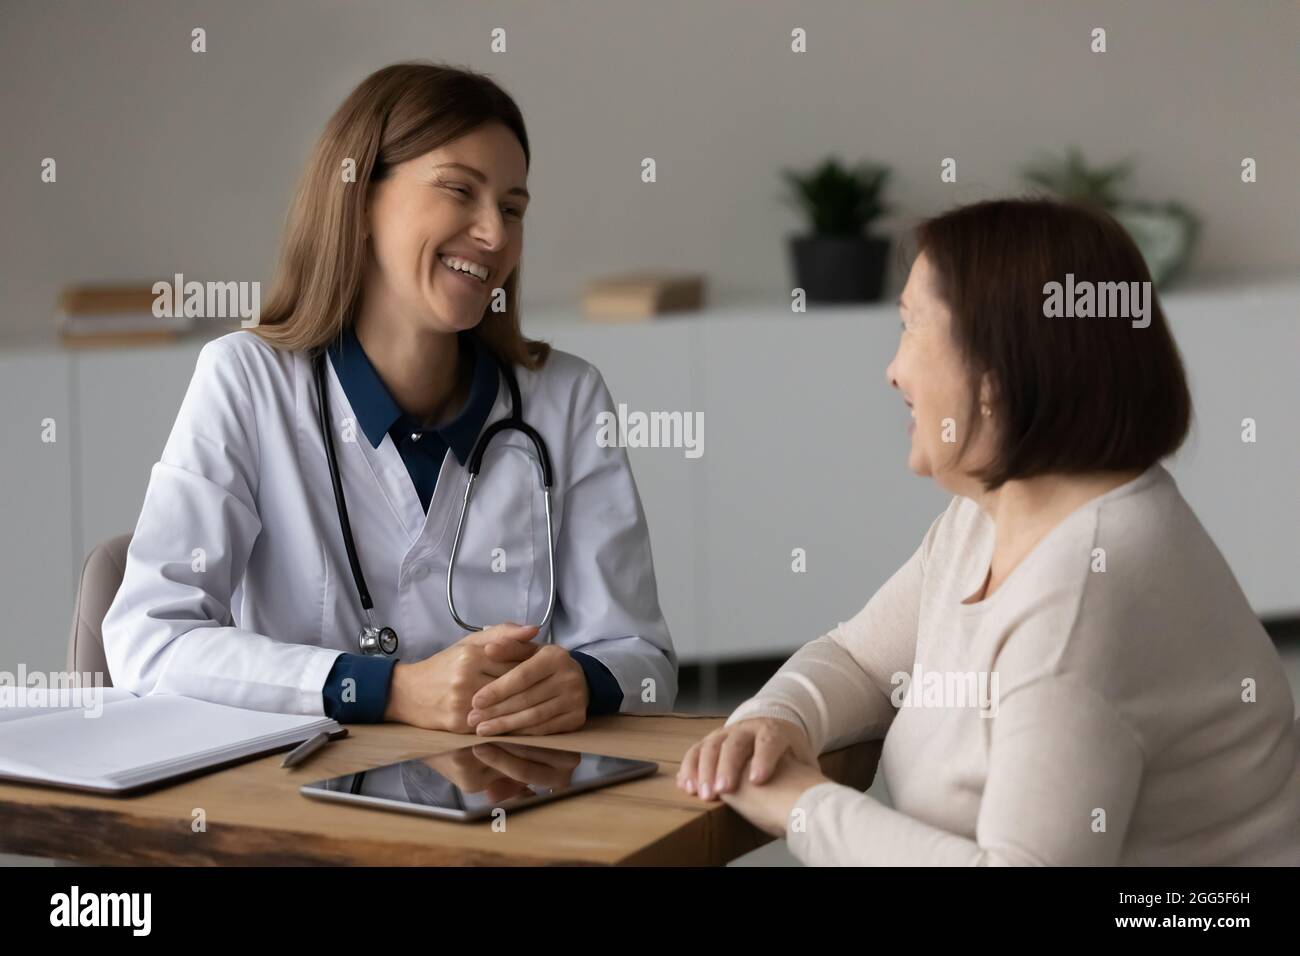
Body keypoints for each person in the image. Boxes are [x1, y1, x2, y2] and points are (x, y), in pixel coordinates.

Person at [678, 198, 1300, 865]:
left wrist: (803, 808)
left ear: (996, 375)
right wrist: (777, 718)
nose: (892, 371)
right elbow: (859, 659)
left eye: (913, 328)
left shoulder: (1083, 595)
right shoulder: (990, 517)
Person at [102, 62, 677, 734]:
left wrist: (583, 680)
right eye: (460, 190)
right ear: (360, 199)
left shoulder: (567, 399)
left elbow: (645, 660)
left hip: (505, 801)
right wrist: (385, 689)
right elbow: (150, 640)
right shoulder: (246, 381)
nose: (495, 234)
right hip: (302, 804)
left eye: (513, 208)